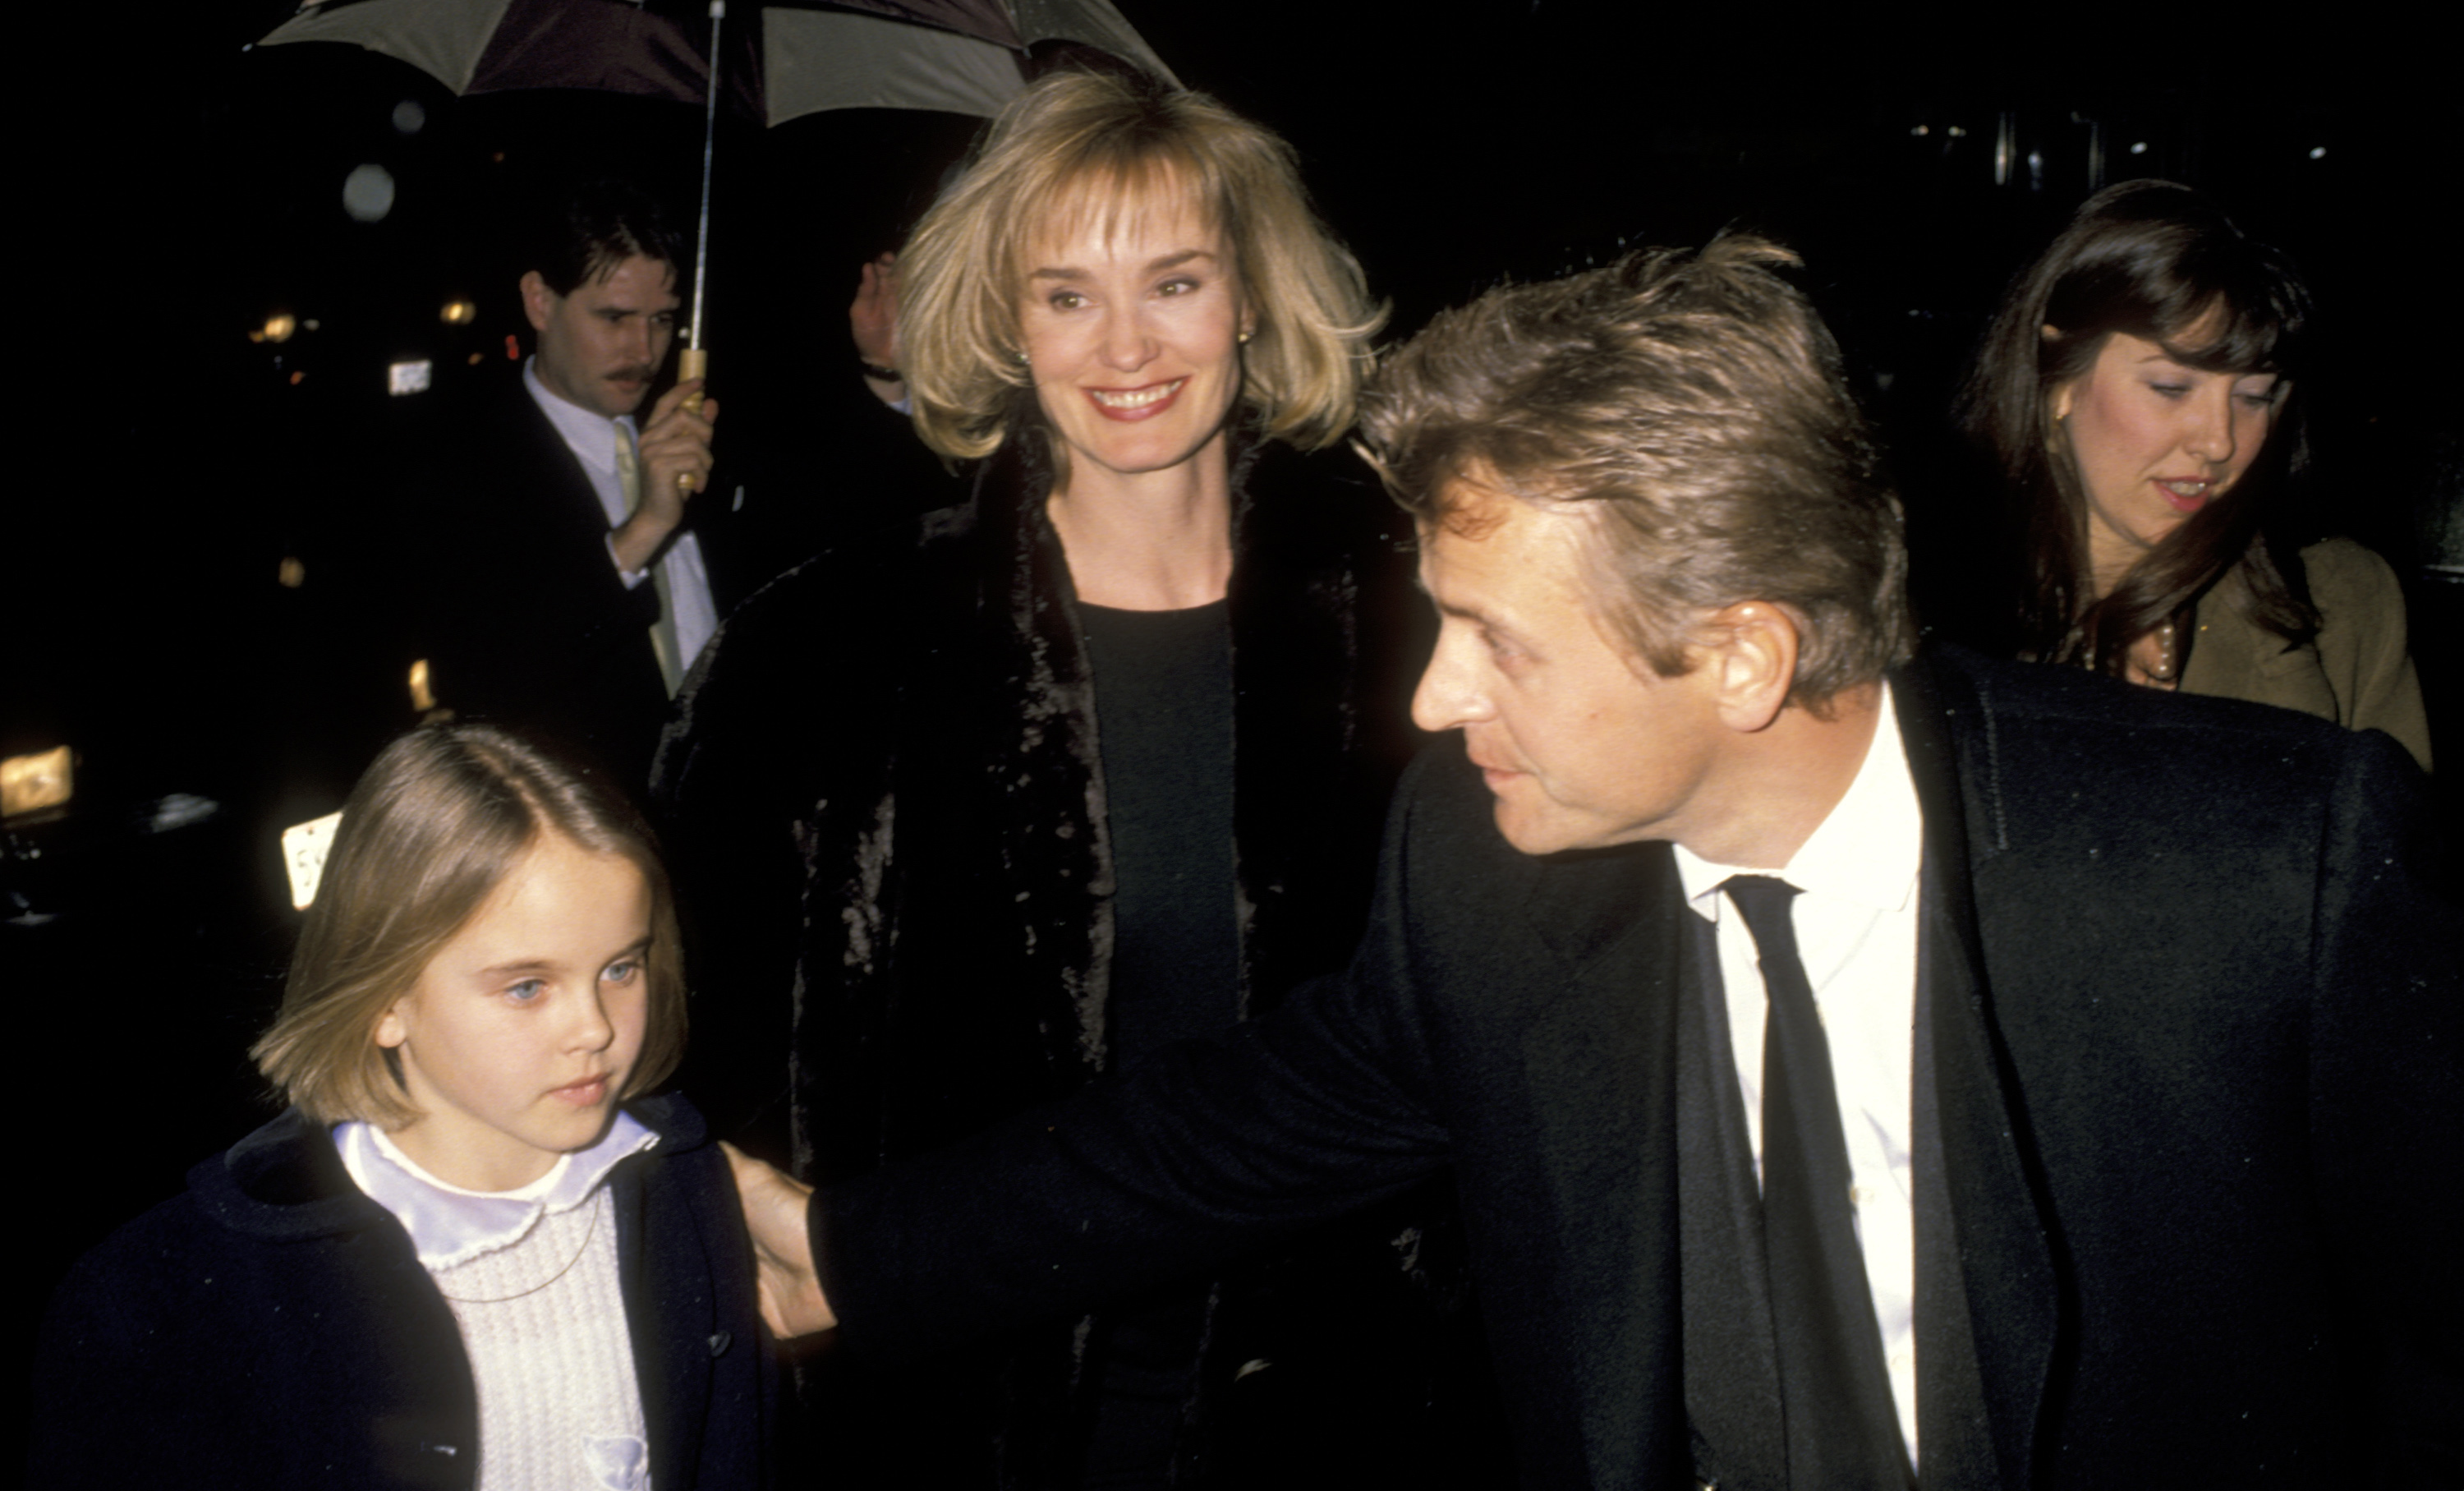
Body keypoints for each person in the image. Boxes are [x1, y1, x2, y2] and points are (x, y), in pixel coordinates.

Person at [724, 237, 2460, 1489]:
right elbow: (1235, 1126)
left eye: (1496, 638)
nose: (1431, 695)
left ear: (1742, 657)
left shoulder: (2257, 870)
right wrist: (849, 1249)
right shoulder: (1495, 870)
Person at [655, 71, 1453, 1485]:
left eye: (1177, 280)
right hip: (960, 1424)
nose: (1126, 344)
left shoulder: (1424, 632)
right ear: (1007, 325)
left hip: (1343, 1416)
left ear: (1252, 298)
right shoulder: (830, 649)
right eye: (1068, 293)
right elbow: (690, 1052)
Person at [32, 723, 781, 1489]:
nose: (594, 1028)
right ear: (383, 998)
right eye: (527, 986)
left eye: (621, 967)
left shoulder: (685, 1192)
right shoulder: (167, 1298)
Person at [1954, 178, 2430, 767]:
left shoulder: (2344, 604)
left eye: (2256, 396)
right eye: (2171, 388)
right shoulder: (1930, 607)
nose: (2218, 440)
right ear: (2058, 381)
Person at [413, 180, 752, 798]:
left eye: (662, 320)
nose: (643, 350)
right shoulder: (462, 460)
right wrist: (641, 530)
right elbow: (486, 683)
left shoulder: (692, 434)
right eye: (614, 317)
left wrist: (885, 372)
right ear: (540, 301)